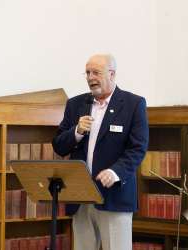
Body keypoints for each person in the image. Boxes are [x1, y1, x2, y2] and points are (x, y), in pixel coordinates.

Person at [52, 54, 149, 250]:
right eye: (87, 73)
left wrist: (116, 172)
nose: (90, 77)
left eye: (96, 72)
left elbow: (137, 148)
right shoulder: (75, 104)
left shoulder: (133, 104)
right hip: (81, 198)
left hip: (114, 197)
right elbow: (59, 146)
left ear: (111, 74)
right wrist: (77, 132)